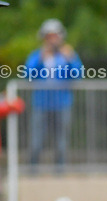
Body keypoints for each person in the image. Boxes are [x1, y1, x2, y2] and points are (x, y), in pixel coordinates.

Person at [23, 19, 83, 171]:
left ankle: (60, 172)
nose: (52, 39)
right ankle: (33, 171)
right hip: (41, 104)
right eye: (49, 36)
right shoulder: (36, 55)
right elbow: (28, 74)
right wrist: (41, 59)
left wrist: (70, 59)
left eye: (55, 36)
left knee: (61, 142)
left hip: (62, 104)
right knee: (37, 141)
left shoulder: (68, 55)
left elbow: (78, 74)